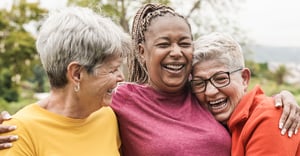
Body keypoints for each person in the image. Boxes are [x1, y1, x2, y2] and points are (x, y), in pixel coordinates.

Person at [0, 3, 300, 155]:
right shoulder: (119, 101)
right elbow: (62, 108)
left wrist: (282, 98)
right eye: (164, 44)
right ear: (142, 51)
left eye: (184, 43)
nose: (176, 53)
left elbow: (243, 103)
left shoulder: (201, 93)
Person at [0, 6, 131, 155]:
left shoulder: (107, 116)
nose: (121, 77)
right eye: (113, 70)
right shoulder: (18, 133)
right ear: (76, 74)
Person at [191, 32, 300, 155]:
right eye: (199, 83)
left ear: (244, 78)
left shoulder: (269, 118)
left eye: (221, 79)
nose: (210, 92)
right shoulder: (225, 121)